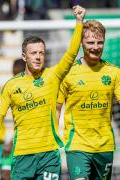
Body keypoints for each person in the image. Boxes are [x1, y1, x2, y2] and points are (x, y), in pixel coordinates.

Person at [0, 5, 86, 180]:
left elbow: (71, 53)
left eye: (41, 53)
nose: (38, 57)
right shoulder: (11, 85)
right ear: (24, 56)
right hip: (23, 155)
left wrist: (79, 22)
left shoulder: (52, 75)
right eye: (33, 53)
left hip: (49, 154)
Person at [56, 20, 120, 180]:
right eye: (90, 42)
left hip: (104, 145)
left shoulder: (114, 72)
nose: (96, 47)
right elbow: (56, 108)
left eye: (100, 42)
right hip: (77, 144)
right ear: (81, 43)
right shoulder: (68, 73)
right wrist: (52, 136)